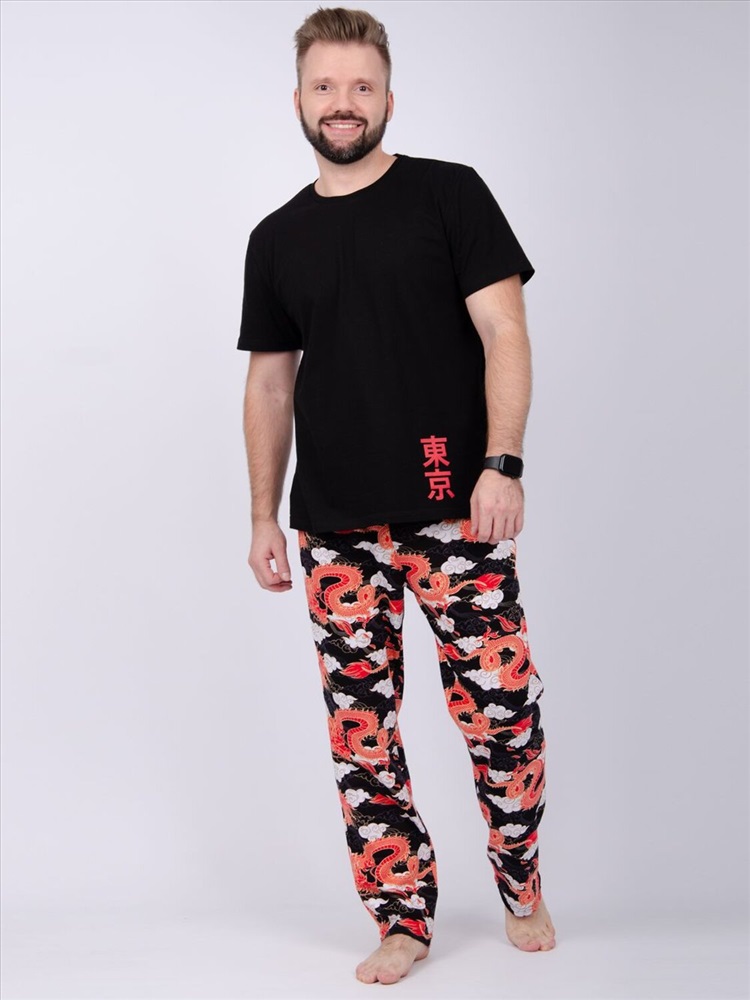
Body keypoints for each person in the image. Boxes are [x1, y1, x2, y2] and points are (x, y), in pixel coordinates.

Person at [237, 5, 556, 984]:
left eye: (361, 86)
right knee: (362, 737)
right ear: (299, 99)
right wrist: (261, 514)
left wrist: (502, 463)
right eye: (325, 86)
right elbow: (270, 384)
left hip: (454, 504)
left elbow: (504, 331)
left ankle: (521, 880)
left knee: (502, 713)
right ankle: (402, 917)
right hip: (334, 527)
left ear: (387, 96)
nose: (343, 102)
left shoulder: (448, 194)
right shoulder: (276, 237)